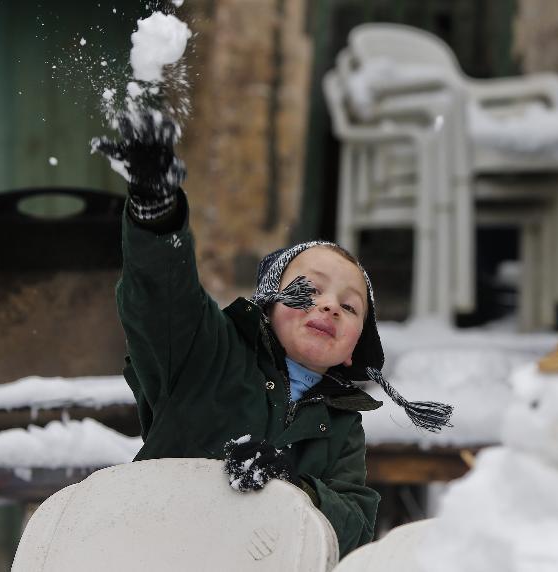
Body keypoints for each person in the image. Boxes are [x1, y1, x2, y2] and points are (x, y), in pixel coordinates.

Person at [93, 108, 452, 557]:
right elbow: (162, 297)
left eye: (349, 306)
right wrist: (156, 212)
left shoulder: (342, 429)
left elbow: (355, 527)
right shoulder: (206, 353)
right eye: (311, 288)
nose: (328, 306)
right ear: (267, 304)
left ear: (351, 351)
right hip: (150, 552)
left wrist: (294, 488)